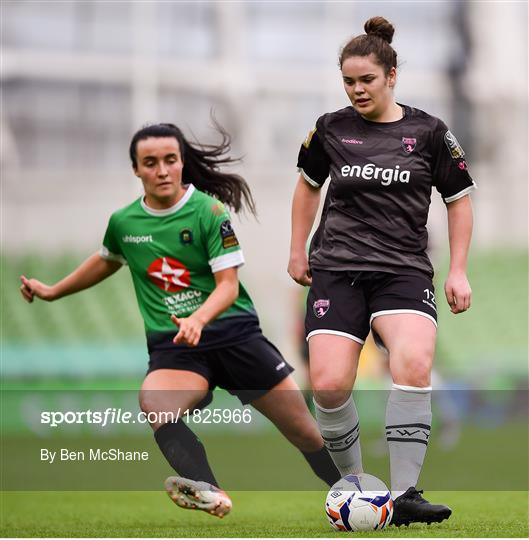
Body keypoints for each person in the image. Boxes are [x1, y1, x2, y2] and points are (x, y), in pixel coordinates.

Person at [20, 122, 340, 518]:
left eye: (170, 160)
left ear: (182, 163)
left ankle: (357, 495)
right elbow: (106, 259)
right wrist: (52, 290)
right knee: (154, 403)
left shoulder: (208, 211)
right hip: (176, 349)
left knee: (305, 432)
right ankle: (209, 490)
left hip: (234, 336)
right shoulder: (124, 223)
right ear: (136, 169)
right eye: (150, 163)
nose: (162, 170)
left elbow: (227, 286)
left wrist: (197, 318)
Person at [288, 16, 475, 527]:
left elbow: (459, 200)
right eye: (348, 81)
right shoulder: (330, 129)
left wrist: (457, 270)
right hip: (338, 269)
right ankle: (354, 488)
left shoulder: (430, 133)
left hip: (403, 271)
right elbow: (307, 187)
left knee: (413, 366)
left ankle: (406, 494)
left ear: (391, 75)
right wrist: (297, 249)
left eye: (366, 80)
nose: (356, 90)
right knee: (328, 386)